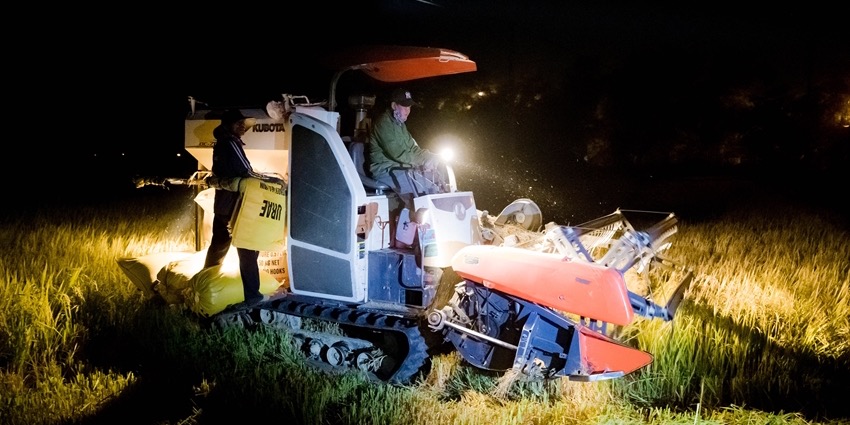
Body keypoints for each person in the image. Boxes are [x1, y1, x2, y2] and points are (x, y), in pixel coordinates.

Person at [203, 109, 280, 308]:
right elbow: (247, 172)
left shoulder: (220, 144)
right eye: (239, 124)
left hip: (222, 205)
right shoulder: (230, 143)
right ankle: (253, 295)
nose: (243, 128)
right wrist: (274, 180)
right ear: (229, 125)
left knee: (218, 246)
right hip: (235, 206)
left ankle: (205, 283)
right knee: (248, 247)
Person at [367, 88, 445, 211]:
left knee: (437, 179)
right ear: (394, 106)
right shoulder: (383, 124)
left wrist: (431, 156)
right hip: (386, 169)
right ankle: (416, 221)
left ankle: (439, 213)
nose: (407, 111)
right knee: (421, 185)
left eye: (409, 107)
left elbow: (413, 149)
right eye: (404, 107)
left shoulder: (400, 125)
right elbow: (398, 154)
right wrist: (423, 162)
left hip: (400, 168)